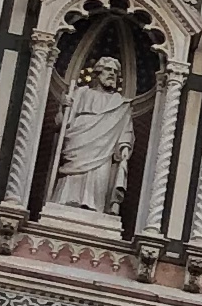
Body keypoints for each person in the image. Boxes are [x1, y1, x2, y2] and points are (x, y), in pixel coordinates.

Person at [45, 50, 137, 219]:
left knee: (98, 183)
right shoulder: (80, 93)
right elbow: (61, 123)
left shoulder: (120, 103)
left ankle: (95, 210)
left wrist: (124, 146)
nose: (112, 75)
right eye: (109, 70)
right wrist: (64, 107)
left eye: (115, 72)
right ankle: (64, 204)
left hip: (105, 151)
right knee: (72, 183)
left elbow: (126, 130)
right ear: (97, 72)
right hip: (79, 144)